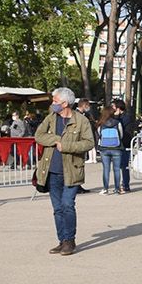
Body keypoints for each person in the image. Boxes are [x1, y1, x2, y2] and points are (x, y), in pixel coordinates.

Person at [33, 88, 95, 256]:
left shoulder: (81, 121)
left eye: (55, 101)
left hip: (72, 171)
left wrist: (67, 146)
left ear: (65, 103)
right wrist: (56, 140)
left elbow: (89, 143)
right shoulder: (51, 118)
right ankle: (62, 241)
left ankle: (69, 240)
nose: (52, 104)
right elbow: (38, 136)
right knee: (57, 208)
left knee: (68, 205)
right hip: (51, 171)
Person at [96, 101, 129, 195]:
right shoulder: (117, 123)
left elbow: (99, 134)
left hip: (104, 148)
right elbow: (121, 134)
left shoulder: (101, 123)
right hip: (116, 148)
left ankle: (105, 189)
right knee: (116, 169)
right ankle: (117, 189)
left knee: (106, 169)